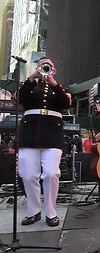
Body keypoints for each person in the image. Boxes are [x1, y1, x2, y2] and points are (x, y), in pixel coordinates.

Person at [18, 57, 71, 226]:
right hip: (30, 134)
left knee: (50, 173)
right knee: (27, 174)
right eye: (42, 66)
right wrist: (32, 78)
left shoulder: (58, 88)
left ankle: (51, 212)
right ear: (37, 67)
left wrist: (54, 83)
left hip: (52, 135)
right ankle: (34, 212)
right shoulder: (29, 85)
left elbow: (66, 103)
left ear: (53, 70)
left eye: (48, 66)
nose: (45, 68)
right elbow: (20, 98)